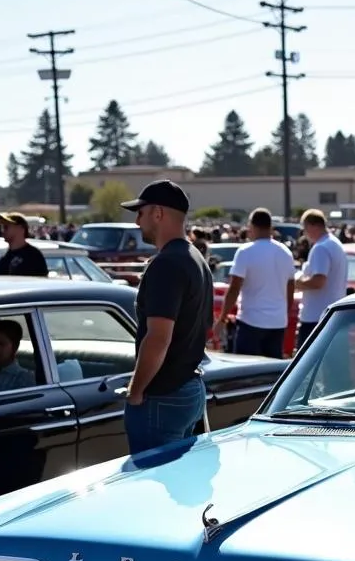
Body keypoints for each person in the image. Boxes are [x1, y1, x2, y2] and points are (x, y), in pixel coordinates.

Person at [119, 179, 213, 454]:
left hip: (164, 395)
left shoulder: (167, 263)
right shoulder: (194, 257)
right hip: (189, 387)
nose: (138, 221)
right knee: (184, 487)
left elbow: (159, 337)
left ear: (158, 213)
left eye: (141, 212)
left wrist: (136, 391)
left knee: (152, 486)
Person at [214, 207, 295, 358]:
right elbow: (290, 287)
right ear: (270, 227)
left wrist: (222, 317)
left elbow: (234, 287)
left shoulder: (245, 252)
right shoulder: (285, 252)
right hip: (277, 322)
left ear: (252, 226)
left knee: (247, 372)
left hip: (250, 321)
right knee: (272, 373)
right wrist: (284, 312)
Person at [294, 208, 347, 349]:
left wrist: (296, 283)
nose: (304, 233)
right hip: (331, 316)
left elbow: (318, 281)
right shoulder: (335, 244)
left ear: (314, 226)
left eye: (305, 228)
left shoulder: (320, 248)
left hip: (315, 318)